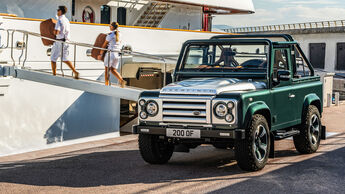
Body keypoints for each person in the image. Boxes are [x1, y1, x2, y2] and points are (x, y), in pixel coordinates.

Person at [51, 5, 79, 79]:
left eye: (58, 10)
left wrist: (53, 32)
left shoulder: (59, 20)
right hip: (66, 41)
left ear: (60, 11)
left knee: (53, 59)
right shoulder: (66, 20)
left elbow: (57, 32)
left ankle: (54, 75)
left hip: (60, 42)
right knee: (65, 59)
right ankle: (75, 72)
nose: (57, 11)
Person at [98, 22, 126, 87]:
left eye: (110, 26)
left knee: (107, 70)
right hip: (117, 54)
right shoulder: (120, 34)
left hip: (110, 54)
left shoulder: (110, 35)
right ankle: (121, 81)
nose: (109, 27)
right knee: (113, 70)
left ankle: (106, 84)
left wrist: (101, 54)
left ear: (113, 27)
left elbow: (104, 44)